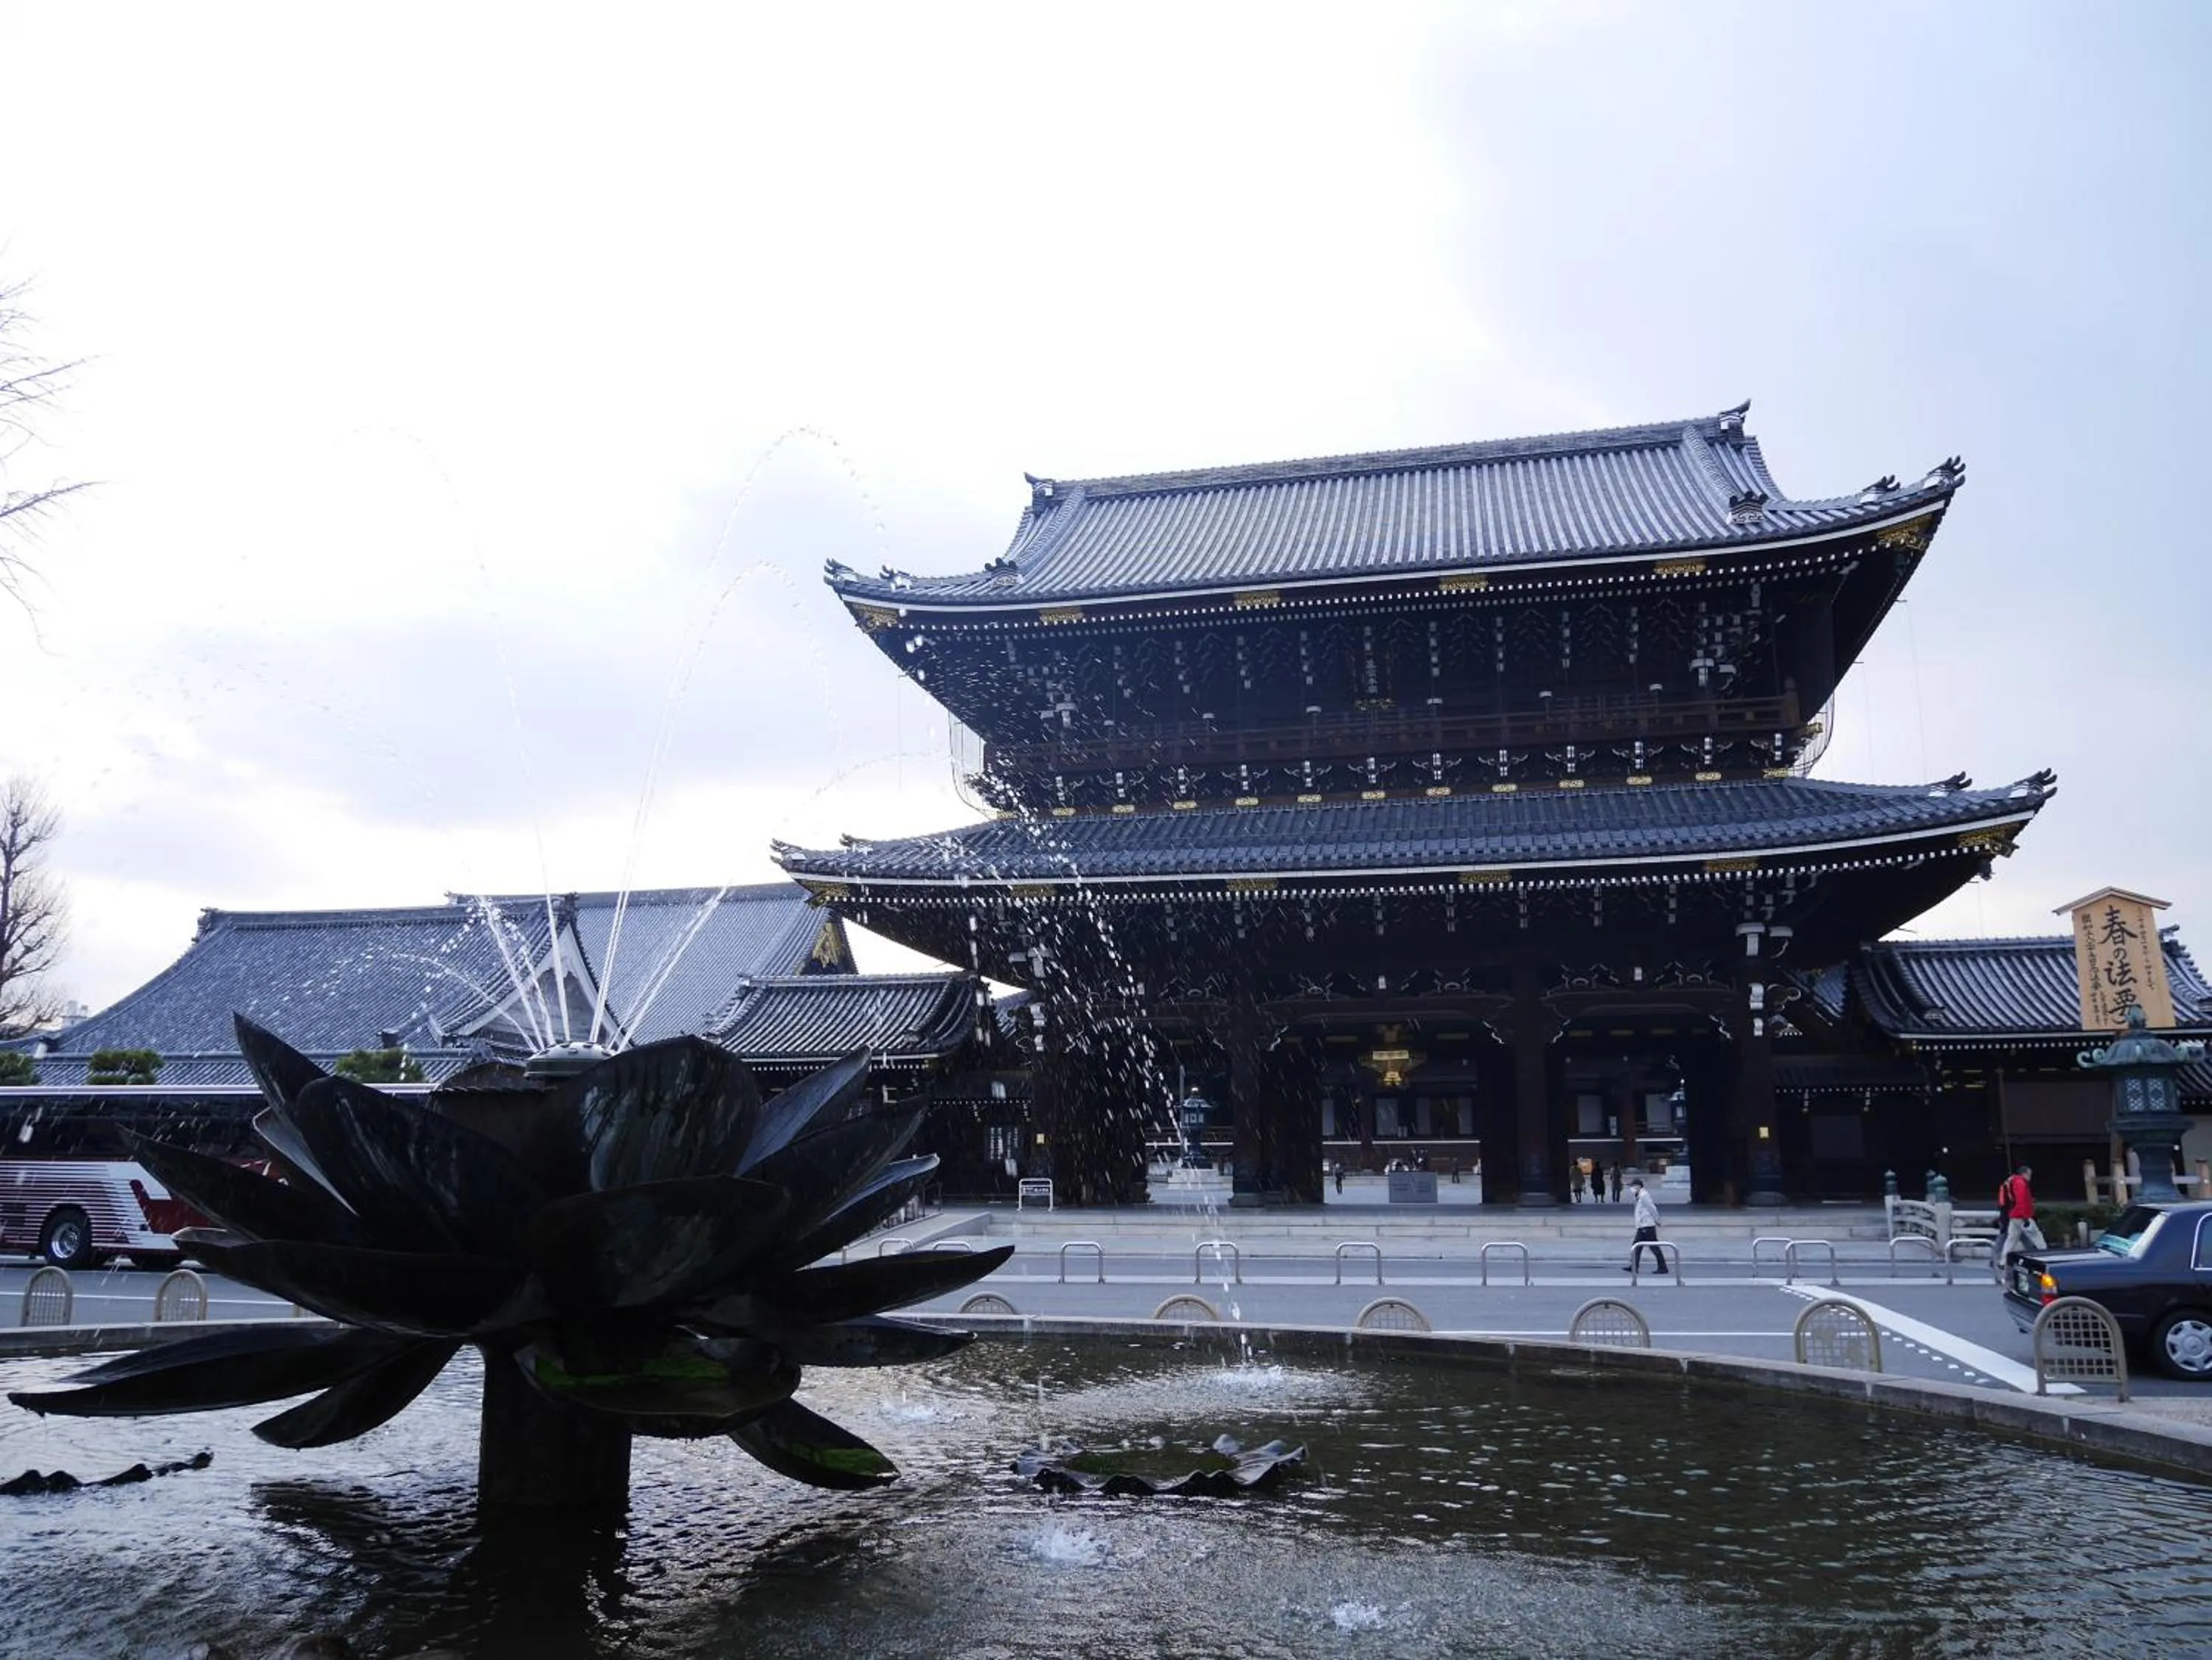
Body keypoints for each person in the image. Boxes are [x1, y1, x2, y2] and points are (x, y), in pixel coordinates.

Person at [1992, 1162, 2046, 1281]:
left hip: (2014, 1216)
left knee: (2011, 1240)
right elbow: (2021, 1201)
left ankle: (2003, 1261)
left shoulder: (2012, 1181)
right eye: (2029, 1174)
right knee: (2037, 1237)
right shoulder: (2021, 1183)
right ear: (2025, 1173)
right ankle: (2045, 1255)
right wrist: (2025, 1217)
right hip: (2022, 1216)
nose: (2030, 1177)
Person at [1622, 1177, 1662, 1272]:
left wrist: (1657, 1219)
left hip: (1647, 1225)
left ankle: (1662, 1267)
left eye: (1633, 1186)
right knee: (1637, 1246)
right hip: (1643, 1225)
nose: (1631, 1188)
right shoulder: (1639, 1195)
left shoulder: (1644, 1196)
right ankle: (1634, 1266)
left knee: (1652, 1247)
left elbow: (1652, 1208)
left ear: (1638, 1186)